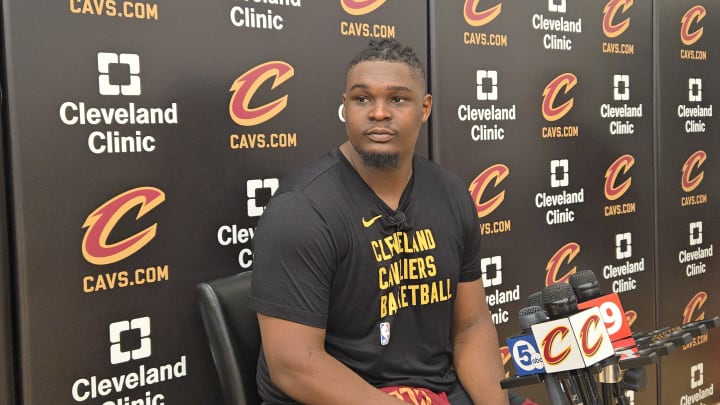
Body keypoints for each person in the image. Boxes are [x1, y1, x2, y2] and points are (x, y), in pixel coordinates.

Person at [250, 38, 511, 404]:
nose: (378, 113)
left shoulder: (451, 194)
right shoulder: (301, 209)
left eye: (397, 99)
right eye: (362, 99)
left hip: (436, 391)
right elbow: (295, 364)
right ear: (345, 107)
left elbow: (471, 325)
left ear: (425, 108)